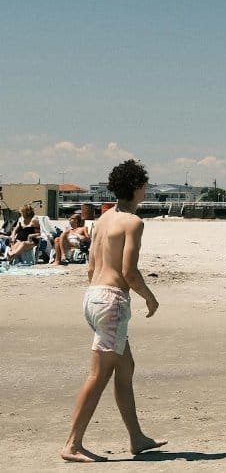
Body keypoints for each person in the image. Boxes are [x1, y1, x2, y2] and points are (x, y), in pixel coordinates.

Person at [62, 159, 166, 463]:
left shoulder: (104, 219)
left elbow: (91, 266)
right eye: (144, 185)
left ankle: (137, 438)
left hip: (93, 297)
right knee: (98, 374)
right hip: (111, 301)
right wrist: (150, 297)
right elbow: (129, 271)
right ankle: (72, 443)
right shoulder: (133, 223)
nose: (146, 190)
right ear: (136, 187)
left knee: (125, 367)